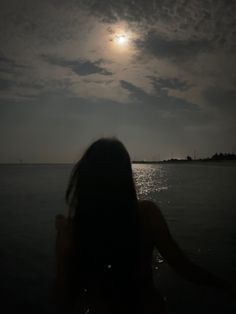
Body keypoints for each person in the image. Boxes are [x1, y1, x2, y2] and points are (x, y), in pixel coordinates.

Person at [54, 138, 231, 314]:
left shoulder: (72, 229)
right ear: (125, 174)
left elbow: (64, 297)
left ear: (86, 176)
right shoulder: (147, 214)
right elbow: (182, 266)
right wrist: (225, 285)